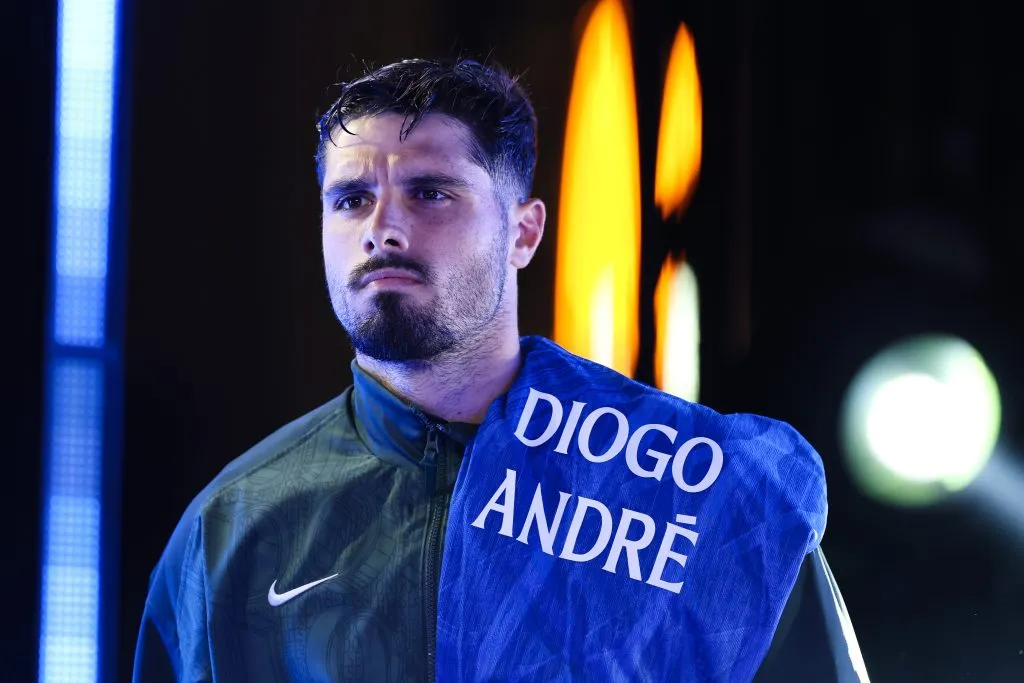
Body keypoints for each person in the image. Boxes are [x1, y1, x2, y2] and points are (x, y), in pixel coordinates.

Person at [132, 57, 869, 682]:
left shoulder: (696, 491)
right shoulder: (232, 531)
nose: (382, 227)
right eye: (351, 199)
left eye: (430, 191)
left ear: (523, 231)